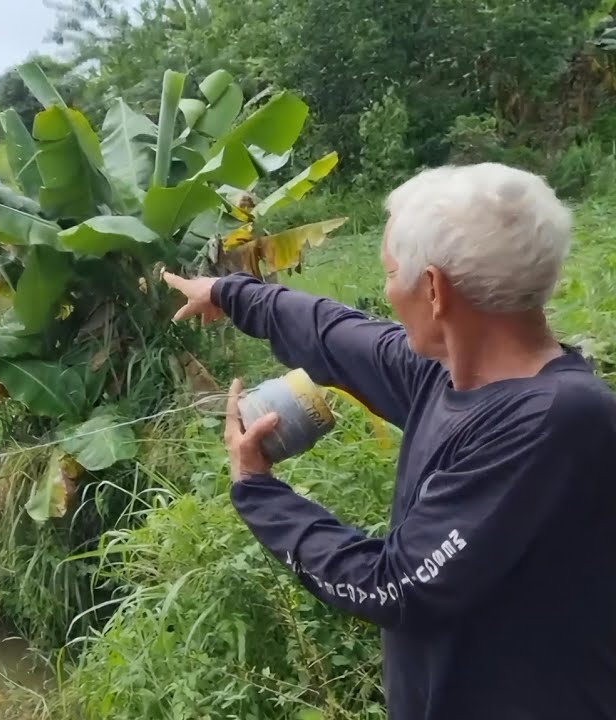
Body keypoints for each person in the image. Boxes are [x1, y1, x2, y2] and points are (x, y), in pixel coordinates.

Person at [162, 162, 616, 720]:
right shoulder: (452, 373)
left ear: (432, 288)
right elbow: (338, 335)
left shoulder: (554, 421)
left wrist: (258, 491)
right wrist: (229, 293)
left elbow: (397, 586)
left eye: (389, 272)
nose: (386, 290)